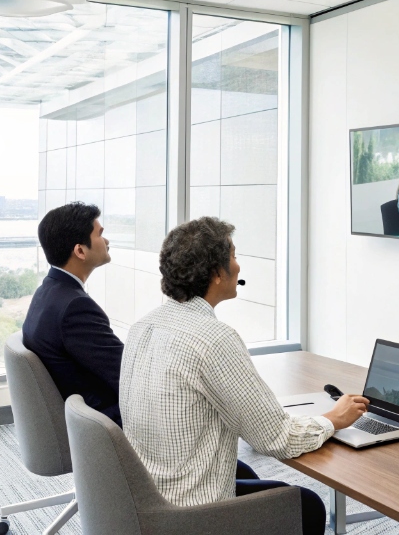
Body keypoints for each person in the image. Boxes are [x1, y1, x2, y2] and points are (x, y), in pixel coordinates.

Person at [120, 217, 369, 535]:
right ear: (216, 273)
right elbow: (278, 439)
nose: (238, 267)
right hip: (193, 516)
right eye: (234, 256)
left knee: (249, 472)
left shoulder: (142, 327)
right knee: (307, 505)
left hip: (149, 499)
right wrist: (334, 418)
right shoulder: (214, 339)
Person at [21, 202, 124, 425]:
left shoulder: (46, 292)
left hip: (78, 416)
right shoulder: (75, 308)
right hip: (103, 422)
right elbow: (126, 375)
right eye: (100, 234)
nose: (106, 242)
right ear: (80, 250)